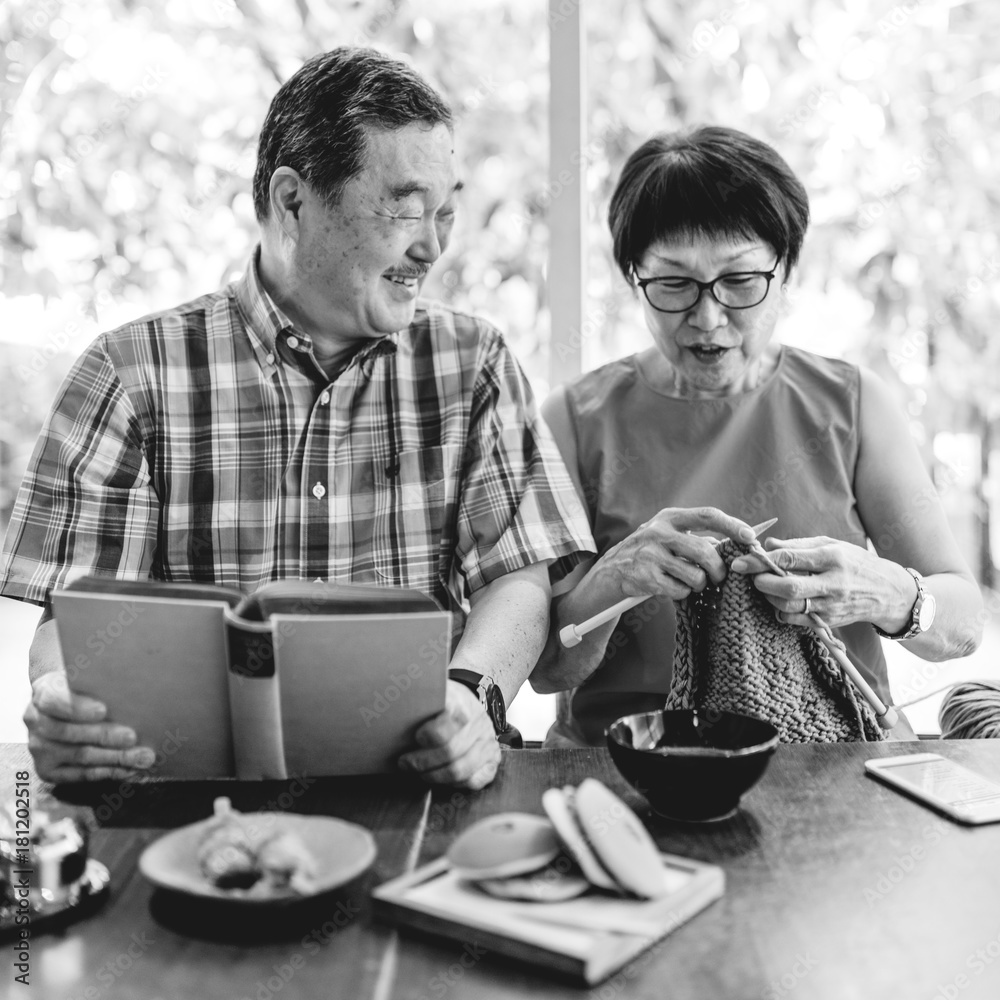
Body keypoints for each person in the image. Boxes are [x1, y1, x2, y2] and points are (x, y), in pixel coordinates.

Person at [0, 47, 594, 787]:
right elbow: (76, 619)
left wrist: (472, 694)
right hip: (192, 807)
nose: (433, 245)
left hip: (420, 791)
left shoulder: (473, 361)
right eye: (407, 208)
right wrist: (62, 704)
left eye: (446, 212)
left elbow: (521, 580)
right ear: (292, 203)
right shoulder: (128, 373)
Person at [532, 125, 983, 746]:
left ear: (786, 270)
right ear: (634, 279)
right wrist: (617, 577)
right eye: (673, 284)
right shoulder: (573, 421)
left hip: (836, 755)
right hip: (632, 761)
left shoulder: (852, 405)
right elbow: (548, 669)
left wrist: (887, 593)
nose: (708, 316)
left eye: (741, 281)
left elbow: (964, 625)